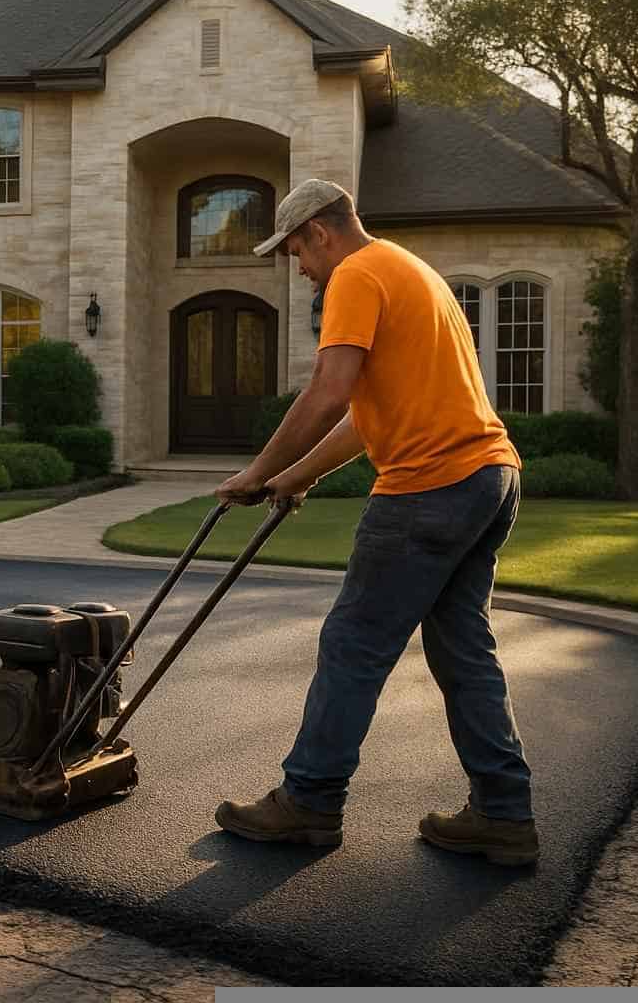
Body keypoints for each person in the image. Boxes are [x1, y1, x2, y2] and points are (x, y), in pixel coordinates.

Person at [212, 179, 538, 866]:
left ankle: (308, 801)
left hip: (428, 488)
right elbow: (367, 413)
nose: (297, 266)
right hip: (489, 477)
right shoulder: (409, 270)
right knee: (463, 649)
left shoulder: (355, 276)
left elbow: (329, 391)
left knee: (353, 644)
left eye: (296, 249)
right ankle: (504, 816)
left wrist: (252, 470)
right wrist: (291, 478)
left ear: (322, 232)